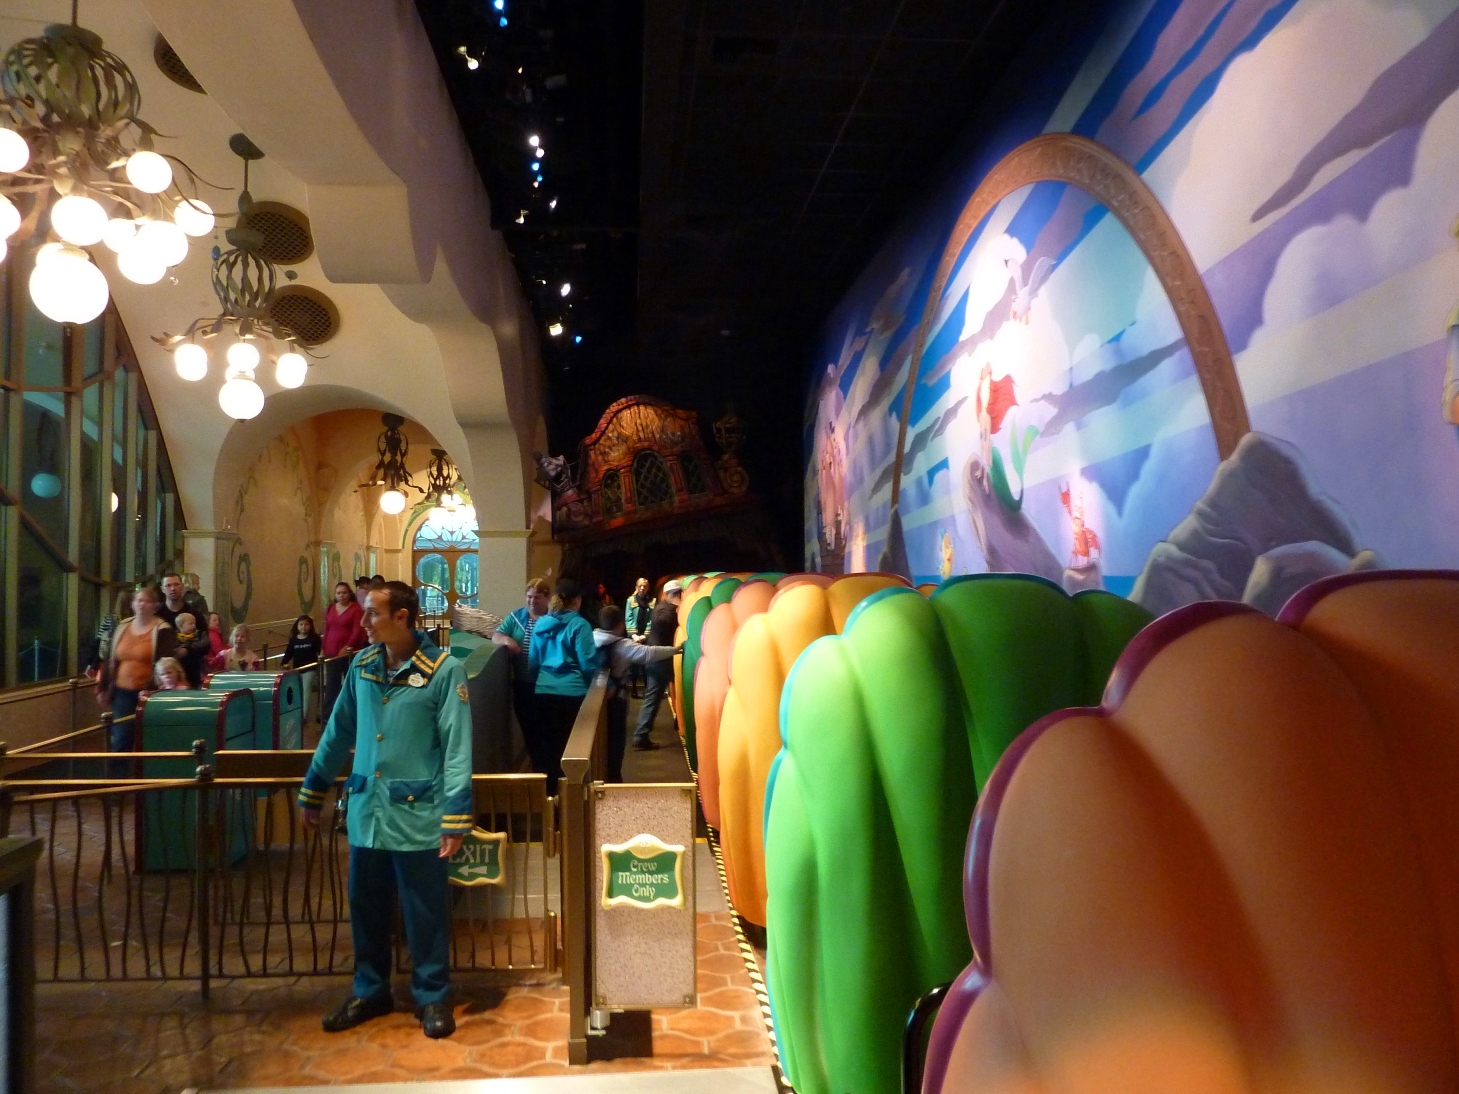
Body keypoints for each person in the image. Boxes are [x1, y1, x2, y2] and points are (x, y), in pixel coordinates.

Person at [298, 581, 471, 1039]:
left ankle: (432, 996)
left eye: (373, 613)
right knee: (366, 907)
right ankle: (371, 990)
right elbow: (338, 731)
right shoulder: (363, 666)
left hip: (418, 814)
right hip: (367, 812)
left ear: (402, 617)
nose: (364, 622)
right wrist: (313, 788)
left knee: (424, 912)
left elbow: (456, 749)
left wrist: (455, 814)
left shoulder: (444, 671)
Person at [525, 578, 600, 792]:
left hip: (543, 692)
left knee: (548, 748)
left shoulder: (540, 624)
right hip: (573, 694)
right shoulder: (580, 625)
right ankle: (572, 797)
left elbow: (533, 661)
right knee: (572, 751)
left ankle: (550, 797)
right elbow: (587, 663)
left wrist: (540, 682)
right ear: (576, 601)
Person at [593, 605, 680, 782]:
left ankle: (599, 779)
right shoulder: (622, 645)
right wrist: (675, 649)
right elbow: (649, 653)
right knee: (615, 740)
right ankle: (613, 778)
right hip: (615, 698)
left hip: (593, 698)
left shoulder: (590, 638)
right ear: (620, 624)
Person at [98, 585, 175, 752]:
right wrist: (103, 687)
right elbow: (110, 659)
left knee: (147, 737)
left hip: (149, 693)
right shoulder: (122, 627)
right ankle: (119, 769)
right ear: (132, 604)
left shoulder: (162, 630)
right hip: (121, 691)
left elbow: (165, 663)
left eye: (147, 601)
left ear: (155, 606)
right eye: (139, 600)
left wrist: (150, 688)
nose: (142, 604)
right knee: (121, 737)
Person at [493, 578, 551, 771]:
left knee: (546, 731)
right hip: (523, 685)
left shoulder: (554, 618)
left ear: (547, 598)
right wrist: (507, 640)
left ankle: (547, 770)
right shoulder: (516, 616)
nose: (532, 601)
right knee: (529, 730)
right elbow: (497, 635)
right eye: (529, 597)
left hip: (547, 686)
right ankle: (538, 768)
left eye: (537, 597)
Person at [633, 579, 683, 750]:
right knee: (654, 697)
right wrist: (679, 610)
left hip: (656, 657)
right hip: (660, 659)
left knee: (655, 696)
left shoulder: (660, 606)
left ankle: (643, 734)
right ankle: (641, 735)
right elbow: (663, 622)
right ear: (675, 594)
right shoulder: (666, 611)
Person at [322, 582, 367, 722]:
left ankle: (351, 714)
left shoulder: (356, 609)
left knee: (350, 683)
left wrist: (348, 646)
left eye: (344, 592)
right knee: (331, 685)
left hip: (349, 653)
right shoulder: (331, 608)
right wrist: (323, 647)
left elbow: (357, 630)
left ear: (349, 593)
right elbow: (327, 629)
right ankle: (328, 716)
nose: (341, 595)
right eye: (339, 593)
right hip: (331, 652)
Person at [172, 612, 212, 688]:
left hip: (196, 666)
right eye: (190, 624)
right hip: (181, 666)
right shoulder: (174, 636)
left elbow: (205, 643)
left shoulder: (199, 634)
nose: (194, 626)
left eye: (194, 623)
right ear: (181, 626)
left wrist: (189, 648)